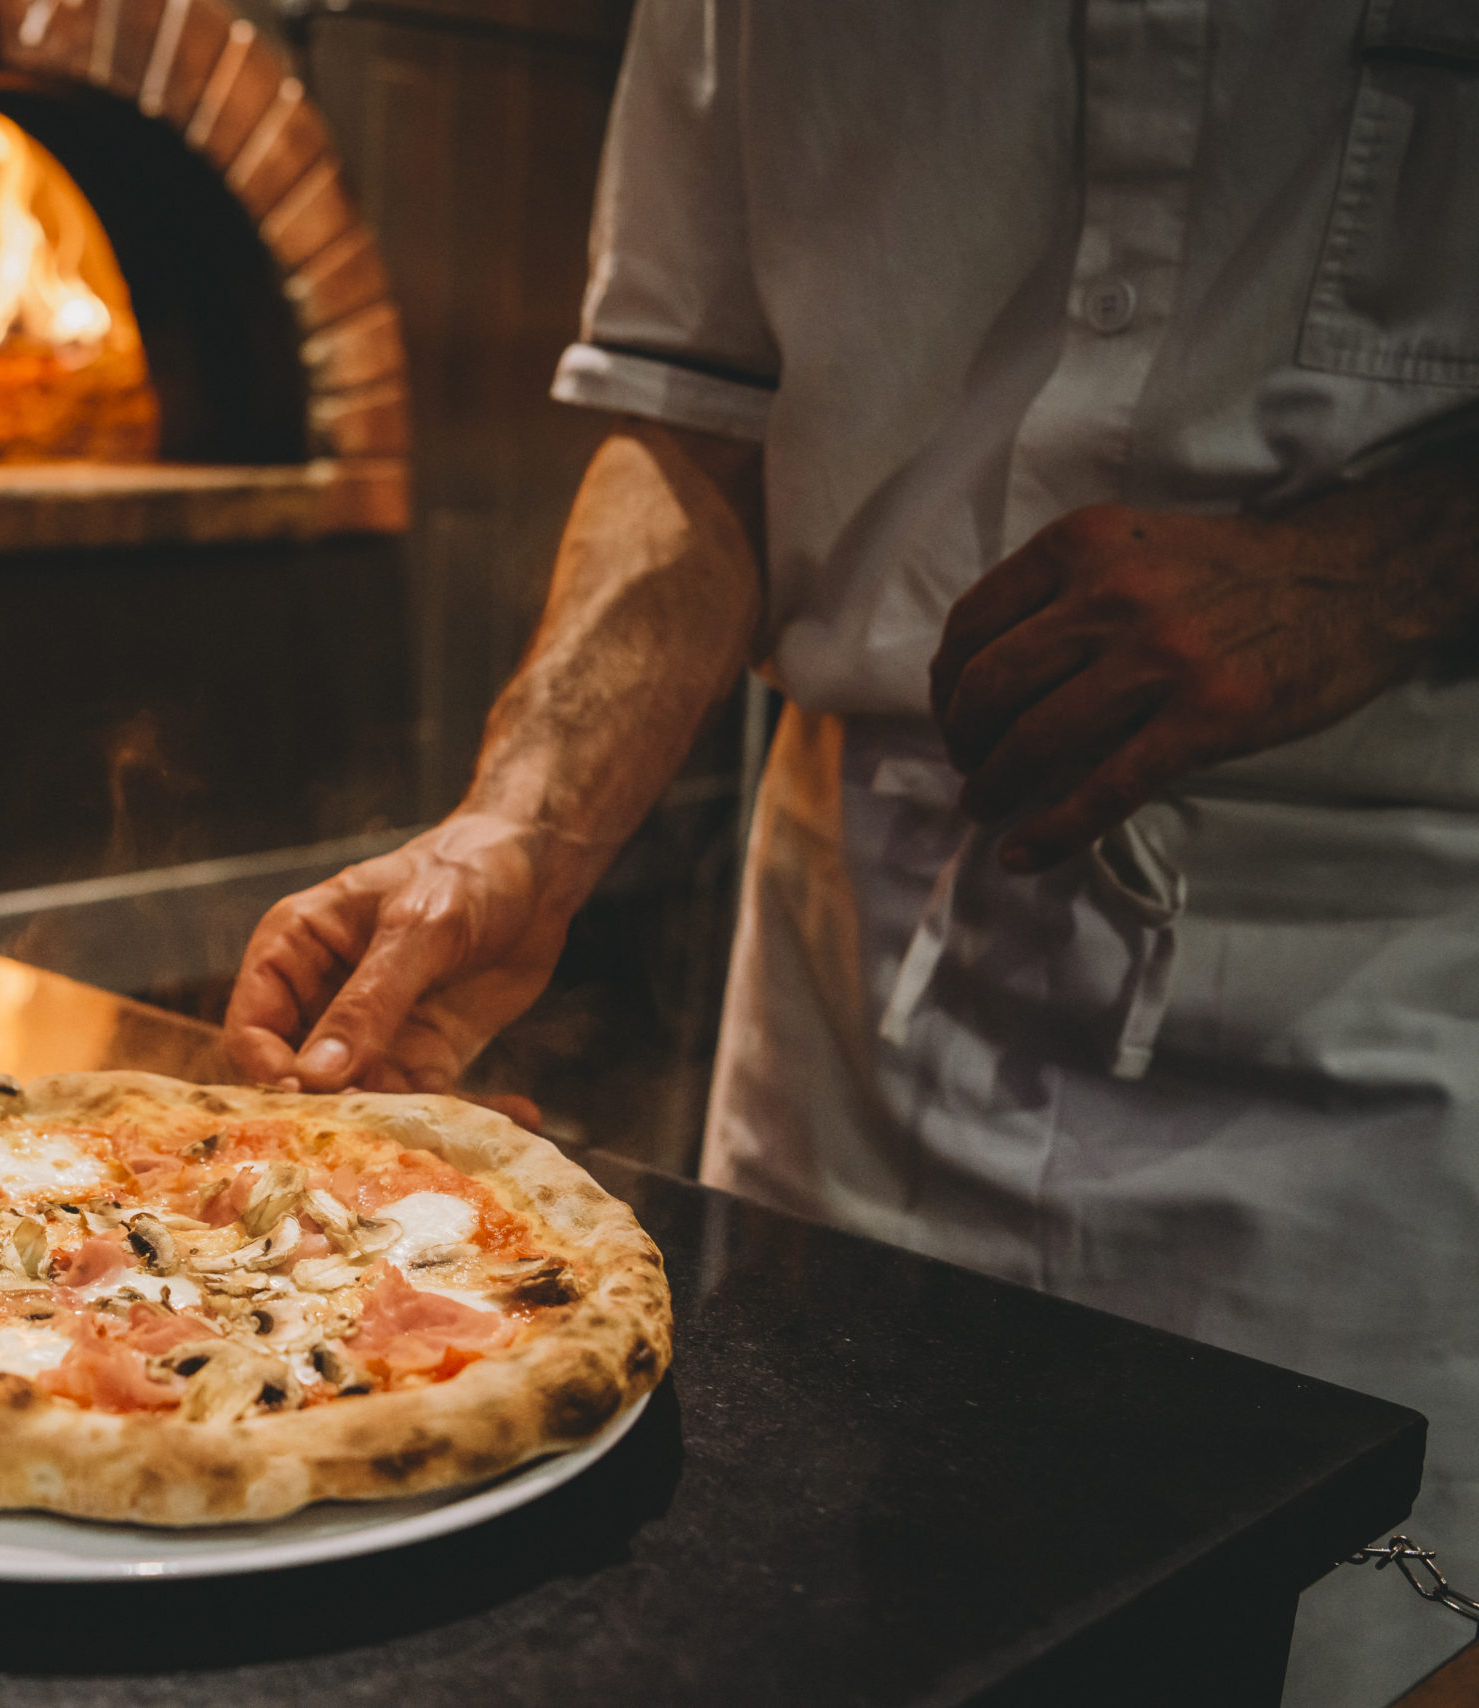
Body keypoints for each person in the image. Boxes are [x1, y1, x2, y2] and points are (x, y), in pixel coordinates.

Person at [224, 3, 1479, 1700]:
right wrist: (521, 826)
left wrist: (1383, 564)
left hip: (1390, 989)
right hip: (856, 986)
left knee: (1335, 1648)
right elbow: (694, 421)